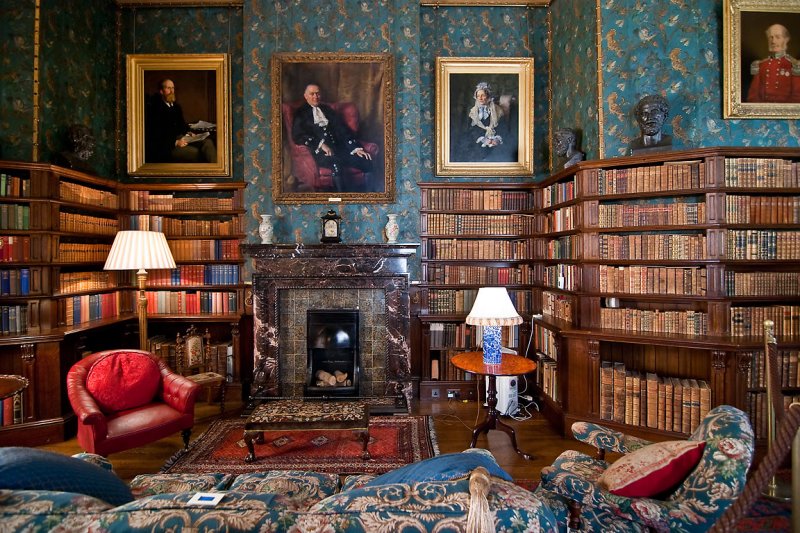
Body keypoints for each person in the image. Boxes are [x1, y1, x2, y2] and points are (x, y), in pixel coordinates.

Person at [291, 83, 373, 192]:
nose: (315, 96)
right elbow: (298, 135)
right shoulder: (301, 113)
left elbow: (343, 130)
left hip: (339, 149)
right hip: (318, 153)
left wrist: (356, 148)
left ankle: (370, 199)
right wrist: (320, 145)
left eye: (317, 94)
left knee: (366, 161)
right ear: (306, 96)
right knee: (336, 165)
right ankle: (340, 201)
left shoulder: (327, 110)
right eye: (312, 94)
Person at [145, 78, 217, 163]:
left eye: (173, 88)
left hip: (183, 138)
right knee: (196, 153)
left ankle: (217, 173)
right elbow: (155, 135)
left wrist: (188, 132)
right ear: (161, 91)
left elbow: (181, 124)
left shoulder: (176, 107)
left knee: (208, 143)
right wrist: (176, 142)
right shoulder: (154, 108)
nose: (172, 91)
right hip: (168, 146)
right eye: (168, 88)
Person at [453, 81, 514, 163]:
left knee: (504, 153)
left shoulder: (497, 110)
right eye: (478, 96)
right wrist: (483, 139)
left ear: (488, 97)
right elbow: (472, 130)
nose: (480, 98)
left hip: (495, 139)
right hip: (477, 139)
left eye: (483, 95)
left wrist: (497, 139)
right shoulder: (473, 112)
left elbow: (502, 127)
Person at [746, 23, 800, 103]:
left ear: (786, 40)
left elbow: (797, 97)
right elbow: (753, 96)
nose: (773, 41)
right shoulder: (760, 65)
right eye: (771, 37)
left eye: (778, 37)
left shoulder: (794, 65)